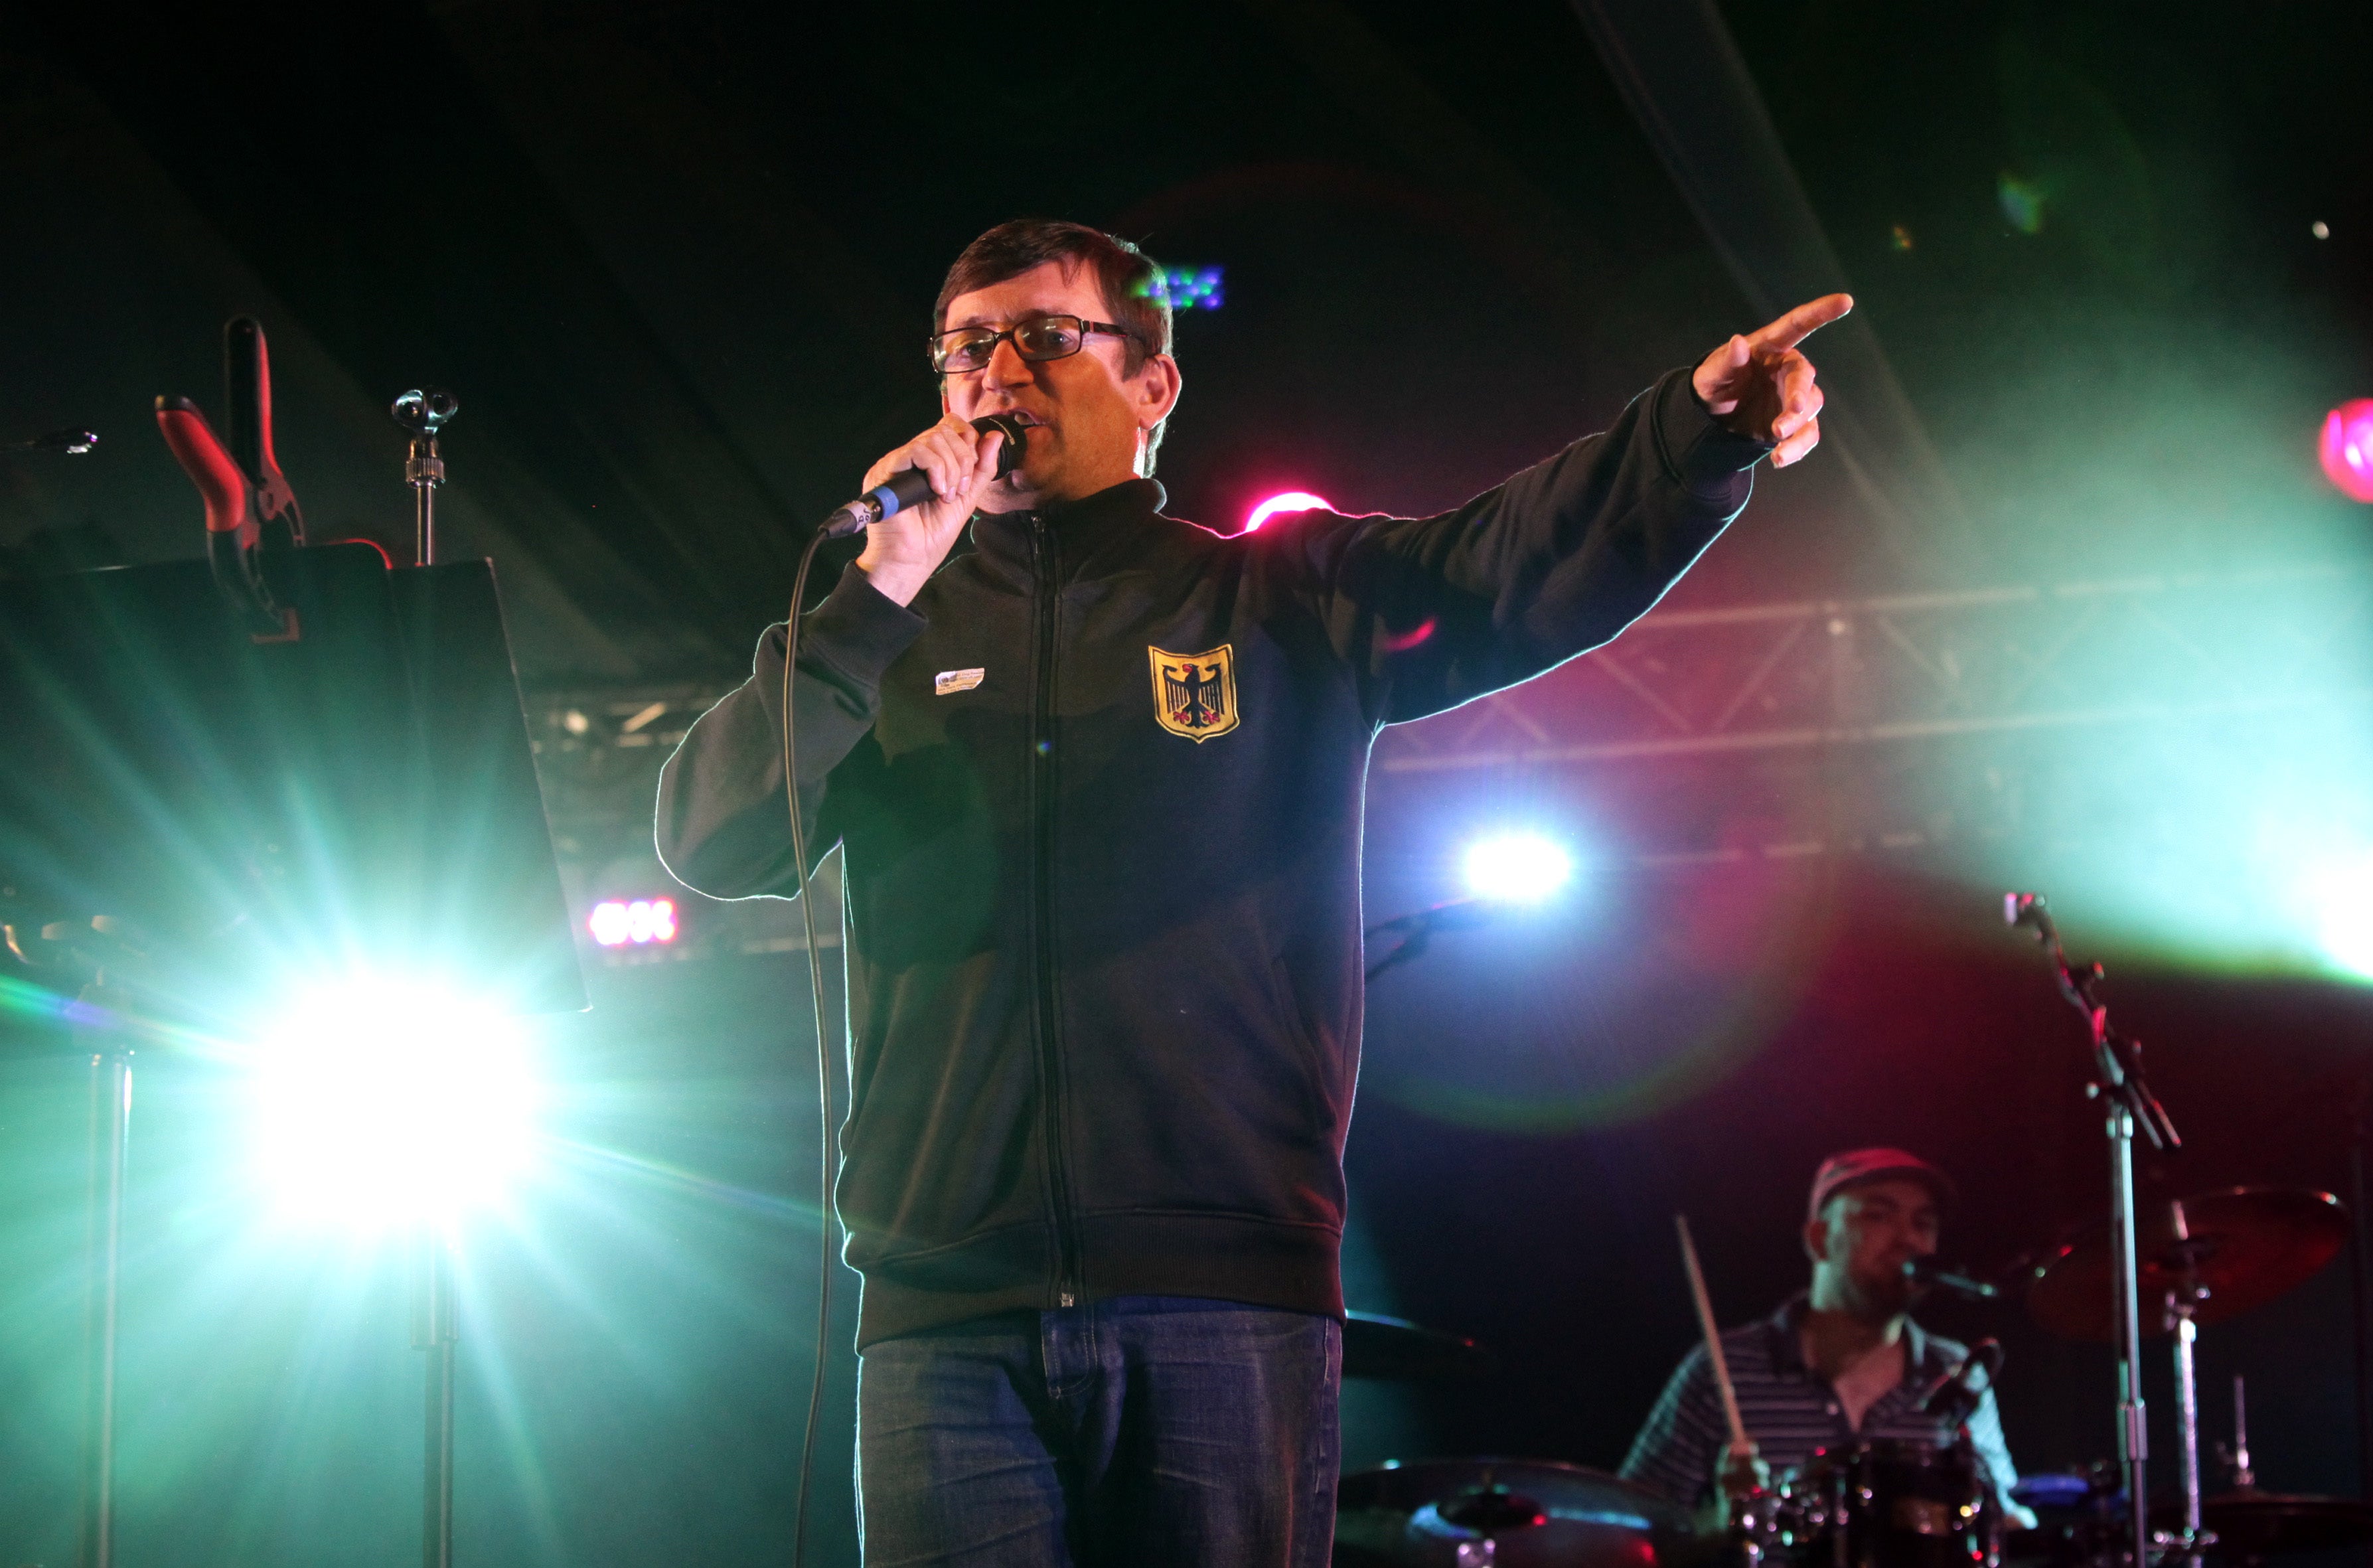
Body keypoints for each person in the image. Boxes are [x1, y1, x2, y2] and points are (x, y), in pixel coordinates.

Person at [656, 216, 1845, 1568]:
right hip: (946, 1313)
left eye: (1045, 338)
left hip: (1220, 1294)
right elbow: (715, 837)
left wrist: (1692, 438)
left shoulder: (1279, 599)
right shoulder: (877, 631)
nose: (996, 374)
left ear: (1154, 387)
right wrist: (872, 596)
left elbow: (1509, 564)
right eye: (965, 348)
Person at [1619, 1148, 2034, 1539]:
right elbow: (1630, 1530)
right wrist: (1719, 1524)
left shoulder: (1956, 1371)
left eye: (1923, 1224)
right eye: (1879, 1216)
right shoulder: (1725, 1369)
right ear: (1818, 1239)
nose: (1909, 1239)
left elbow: (2008, 1518)